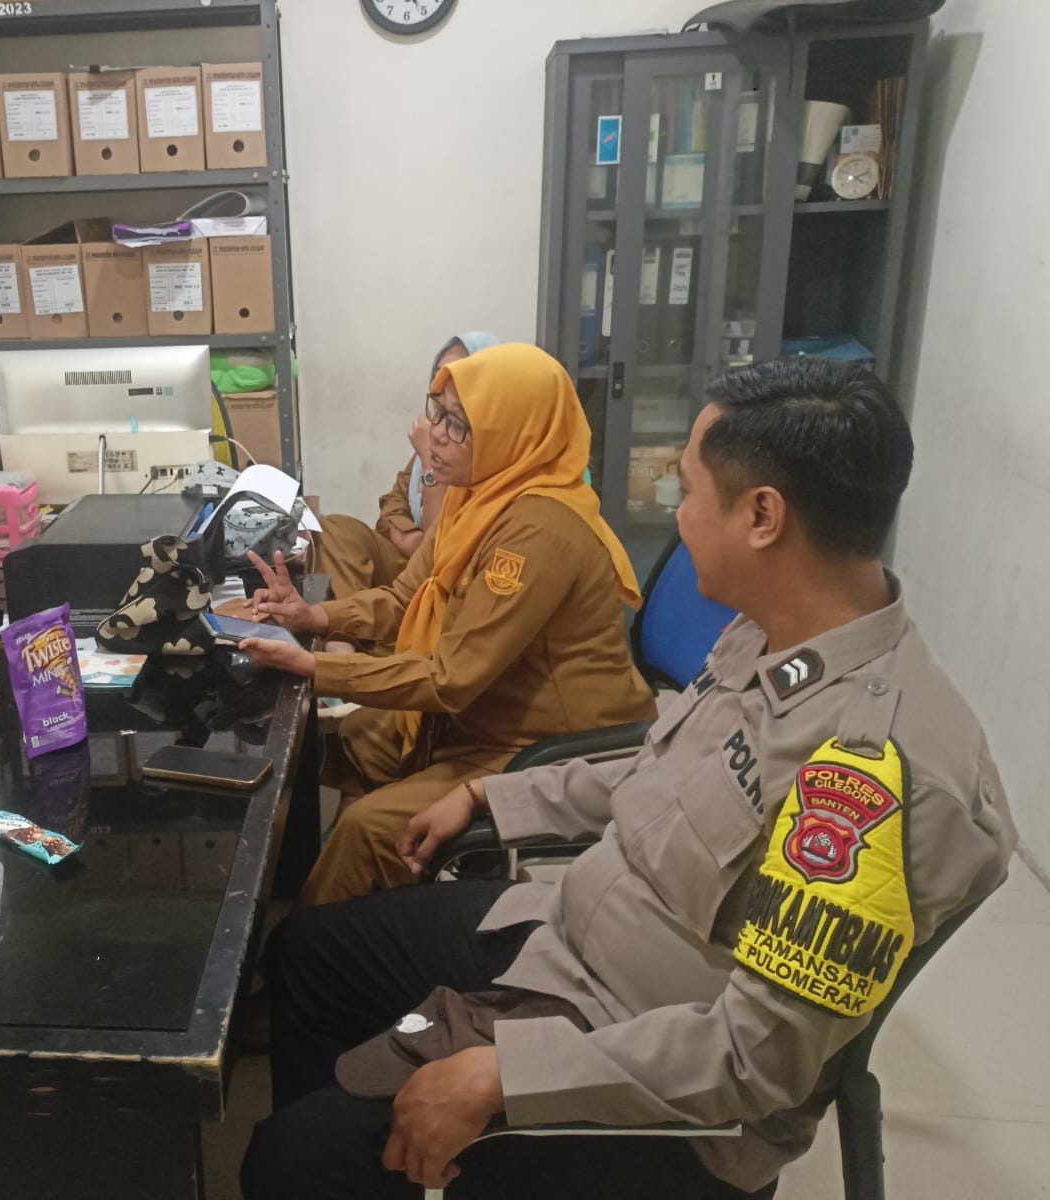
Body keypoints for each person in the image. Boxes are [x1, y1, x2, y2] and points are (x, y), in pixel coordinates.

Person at [240, 358, 1018, 1200]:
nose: (676, 517)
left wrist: (504, 1077)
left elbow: (752, 1060)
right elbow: (662, 763)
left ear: (763, 516)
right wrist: (493, 794)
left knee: (288, 1160)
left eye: (688, 491)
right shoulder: (774, 631)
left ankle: (352, 1147)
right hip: (574, 934)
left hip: (643, 1053)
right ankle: (370, 1137)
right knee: (310, 954)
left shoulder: (878, 778)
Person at [239, 344, 656, 907]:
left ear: (513, 431)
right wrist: (317, 616)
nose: (436, 433)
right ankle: (354, 904)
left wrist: (316, 667)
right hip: (478, 715)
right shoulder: (478, 494)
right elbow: (406, 596)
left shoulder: (539, 529)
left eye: (458, 423)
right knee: (345, 741)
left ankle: (311, 948)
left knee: (368, 830)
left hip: (544, 745)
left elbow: (450, 680)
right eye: (437, 412)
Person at [310, 332, 501, 599]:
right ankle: (343, 621)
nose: (443, 383)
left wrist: (430, 461)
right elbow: (391, 504)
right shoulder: (436, 429)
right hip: (410, 557)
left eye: (458, 374)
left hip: (452, 571)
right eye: (439, 373)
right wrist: (408, 538)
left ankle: (357, 618)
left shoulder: (482, 447)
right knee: (336, 530)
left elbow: (443, 546)